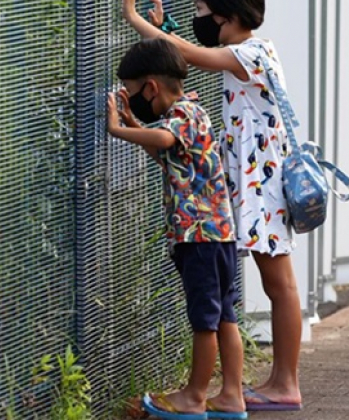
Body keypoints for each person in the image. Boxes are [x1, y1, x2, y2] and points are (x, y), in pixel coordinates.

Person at [120, 0, 304, 412]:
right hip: (256, 179)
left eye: (201, 8)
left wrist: (135, 19)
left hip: (262, 183)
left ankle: (285, 382)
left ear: (225, 13)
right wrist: (163, 31)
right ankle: (269, 382)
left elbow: (187, 54)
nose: (199, 17)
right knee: (273, 282)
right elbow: (182, 57)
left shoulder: (251, 54)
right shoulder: (250, 52)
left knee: (278, 283)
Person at [107, 38, 247, 420]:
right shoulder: (194, 111)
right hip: (220, 235)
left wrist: (119, 130)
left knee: (204, 320)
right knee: (224, 316)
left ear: (151, 87)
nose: (134, 99)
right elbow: (170, 156)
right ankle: (232, 395)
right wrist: (136, 125)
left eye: (135, 93)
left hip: (198, 236)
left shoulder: (181, 116)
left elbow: (166, 138)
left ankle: (194, 395)